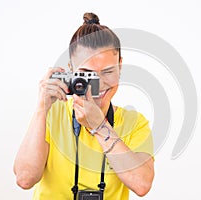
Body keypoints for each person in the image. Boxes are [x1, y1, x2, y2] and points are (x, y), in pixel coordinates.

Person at [13, 12, 154, 200]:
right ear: (71, 70)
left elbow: (142, 184)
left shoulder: (134, 122)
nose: (99, 84)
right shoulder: (53, 113)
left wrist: (99, 126)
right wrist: (41, 108)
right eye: (87, 74)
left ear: (120, 66)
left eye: (108, 71)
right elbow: (25, 179)